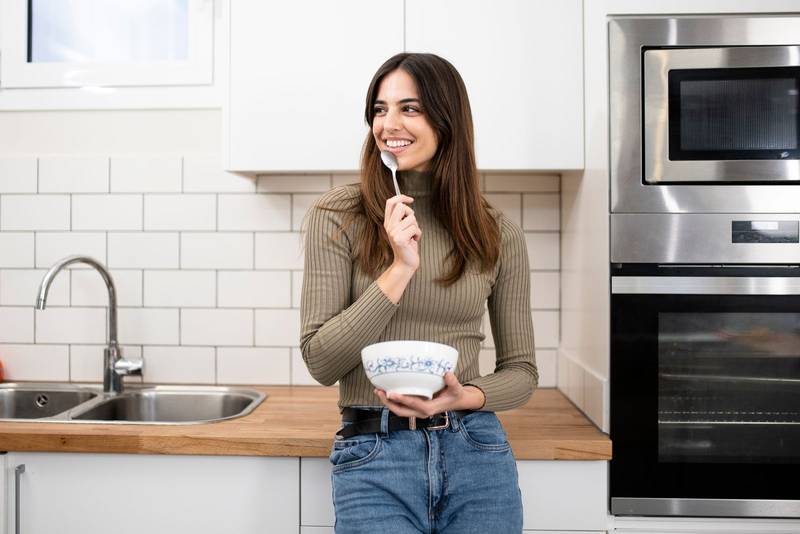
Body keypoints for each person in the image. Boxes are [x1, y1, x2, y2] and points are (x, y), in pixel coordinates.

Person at [300, 52, 537, 534]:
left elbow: (522, 373)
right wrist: (400, 267)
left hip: (477, 452)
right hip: (373, 452)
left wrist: (462, 397)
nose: (389, 124)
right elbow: (321, 362)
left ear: (447, 119)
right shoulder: (337, 215)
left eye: (410, 108)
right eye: (379, 109)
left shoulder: (495, 232)